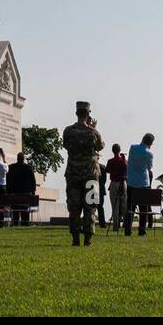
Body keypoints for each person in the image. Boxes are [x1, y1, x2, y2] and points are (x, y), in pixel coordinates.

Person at [63, 100, 105, 247]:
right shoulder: (93, 133)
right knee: (90, 206)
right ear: (88, 115)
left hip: (73, 174)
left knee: (74, 207)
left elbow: (66, 145)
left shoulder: (68, 131)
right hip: (90, 174)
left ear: (76, 113)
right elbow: (100, 146)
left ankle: (75, 238)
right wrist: (92, 128)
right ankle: (87, 239)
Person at [124, 133, 155, 237]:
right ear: (151, 143)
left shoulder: (132, 148)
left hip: (131, 182)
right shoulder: (149, 154)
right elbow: (149, 167)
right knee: (143, 209)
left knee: (130, 208)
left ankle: (127, 230)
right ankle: (141, 231)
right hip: (143, 183)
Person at [6, 151, 36, 226]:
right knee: (25, 210)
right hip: (25, 195)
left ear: (17, 158)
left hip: (14, 195)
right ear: (23, 159)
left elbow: (8, 181)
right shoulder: (28, 168)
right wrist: (33, 192)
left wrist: (8, 192)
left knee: (15, 210)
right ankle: (25, 223)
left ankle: (15, 223)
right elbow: (33, 182)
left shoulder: (11, 168)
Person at [105, 144, 128, 231]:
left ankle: (116, 226)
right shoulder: (124, 161)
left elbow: (107, 170)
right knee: (124, 205)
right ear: (120, 150)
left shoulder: (110, 161)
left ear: (112, 151)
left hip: (114, 183)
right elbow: (126, 169)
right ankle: (126, 225)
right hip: (123, 182)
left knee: (114, 205)